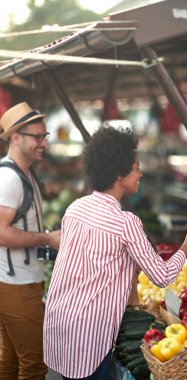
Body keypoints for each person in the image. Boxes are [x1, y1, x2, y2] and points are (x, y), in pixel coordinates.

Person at [43, 126, 187, 380]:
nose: (141, 173)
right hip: (89, 333)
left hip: (59, 323)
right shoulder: (125, 223)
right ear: (120, 174)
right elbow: (162, 276)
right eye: (136, 167)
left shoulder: (75, 209)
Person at [0, 102, 61, 380]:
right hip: (16, 285)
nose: (43, 143)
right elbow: (1, 232)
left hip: (20, 281)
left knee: (11, 361)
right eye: (37, 137)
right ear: (15, 137)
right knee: (34, 364)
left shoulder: (23, 173)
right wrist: (47, 238)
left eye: (44, 136)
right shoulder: (8, 178)